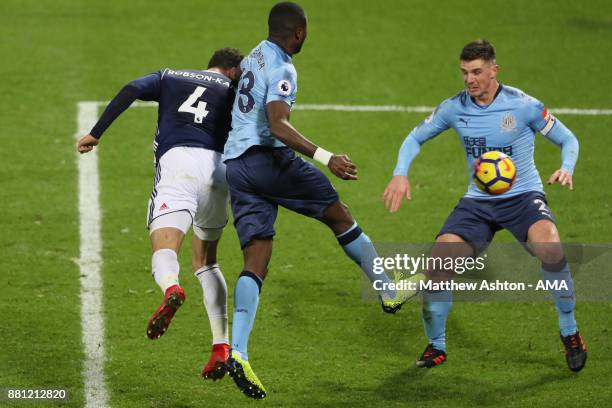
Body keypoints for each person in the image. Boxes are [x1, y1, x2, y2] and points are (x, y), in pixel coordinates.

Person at [222, 2, 417, 400]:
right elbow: (278, 123)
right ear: (297, 33)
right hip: (266, 159)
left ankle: (238, 351)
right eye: (305, 31)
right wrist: (328, 158)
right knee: (338, 214)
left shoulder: (255, 52)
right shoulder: (283, 67)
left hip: (236, 167)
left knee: (256, 258)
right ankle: (387, 288)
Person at [383, 39, 586, 372]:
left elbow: (568, 139)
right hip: (478, 202)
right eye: (464, 72)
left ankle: (570, 331)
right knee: (438, 266)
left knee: (550, 248)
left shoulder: (524, 106)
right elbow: (414, 137)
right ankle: (437, 346)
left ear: (494, 70)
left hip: (522, 198)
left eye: (477, 72)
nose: (469, 80)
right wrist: (400, 173)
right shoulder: (453, 108)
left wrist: (567, 166)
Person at [76, 48, 243, 380]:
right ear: (234, 71)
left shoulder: (171, 76)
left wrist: (96, 132)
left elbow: (132, 89)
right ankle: (220, 347)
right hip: (218, 170)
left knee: (165, 247)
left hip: (178, 163)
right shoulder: (235, 90)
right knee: (207, 262)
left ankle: (171, 288)